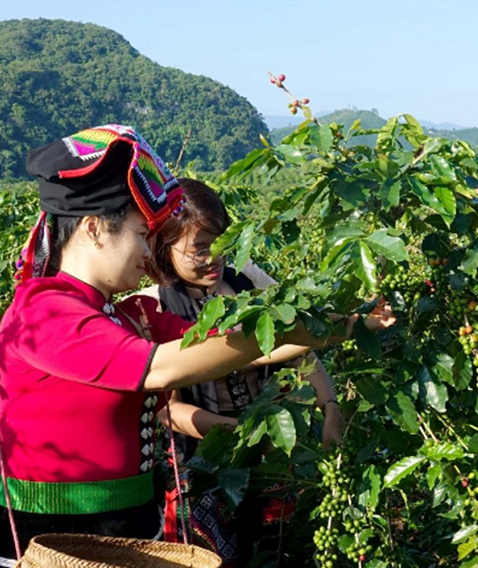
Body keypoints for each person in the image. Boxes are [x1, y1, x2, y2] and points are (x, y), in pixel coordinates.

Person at [0, 125, 390, 568]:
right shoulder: (44, 313)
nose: (147, 250)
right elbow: (161, 369)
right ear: (95, 229)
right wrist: (291, 329)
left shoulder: (131, 314)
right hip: (49, 539)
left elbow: (231, 343)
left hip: (128, 527)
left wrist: (350, 323)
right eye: (139, 233)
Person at [139, 178, 341, 564]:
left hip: (271, 456)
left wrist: (329, 405)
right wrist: (236, 433)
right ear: (164, 248)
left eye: (220, 244)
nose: (213, 257)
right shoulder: (155, 308)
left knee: (274, 551)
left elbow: (297, 345)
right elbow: (168, 408)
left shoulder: (246, 278)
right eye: (198, 250)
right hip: (203, 464)